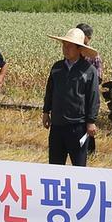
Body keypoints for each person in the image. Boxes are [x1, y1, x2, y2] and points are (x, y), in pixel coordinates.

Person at [43, 28, 99, 167]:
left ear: (79, 49)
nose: (66, 49)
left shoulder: (88, 70)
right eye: (64, 45)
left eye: (69, 46)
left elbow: (93, 97)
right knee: (55, 165)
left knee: (78, 166)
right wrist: (46, 112)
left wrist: (91, 121)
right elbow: (50, 91)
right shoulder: (57, 67)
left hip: (77, 125)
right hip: (57, 124)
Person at [76, 23, 102, 156]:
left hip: (88, 97)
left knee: (89, 123)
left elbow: (98, 78)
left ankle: (90, 151)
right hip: (75, 98)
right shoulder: (72, 53)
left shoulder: (94, 56)